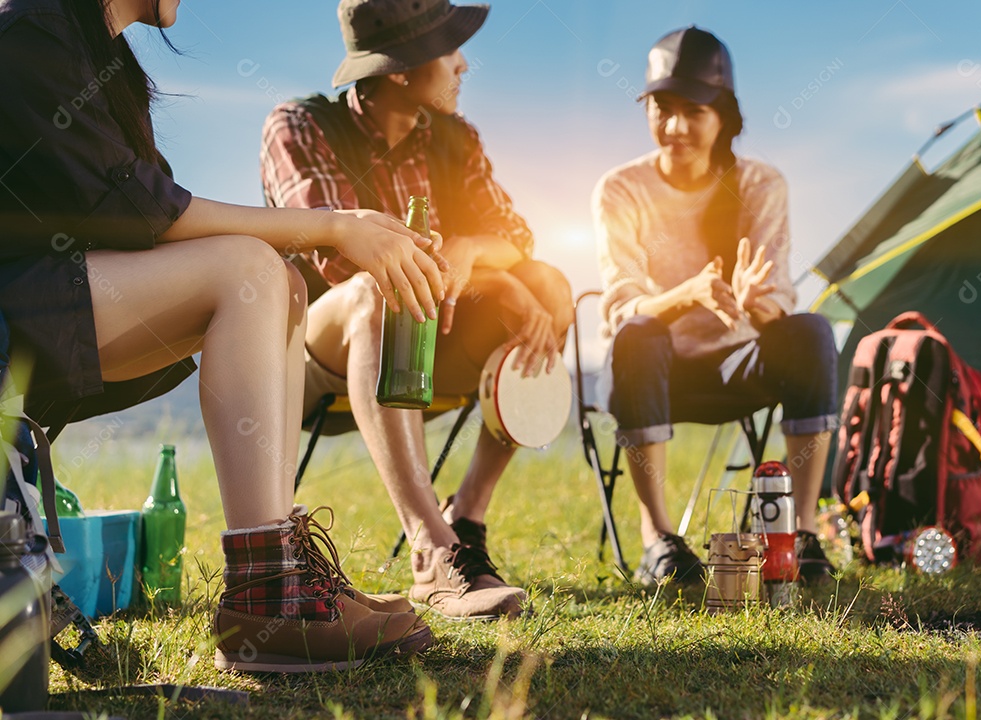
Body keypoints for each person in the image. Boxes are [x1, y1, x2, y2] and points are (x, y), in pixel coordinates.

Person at [0, 0, 446, 672]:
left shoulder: (102, 54)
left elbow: (144, 208)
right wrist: (332, 226)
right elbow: (145, 211)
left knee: (283, 283)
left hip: (47, 297)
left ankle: (282, 574)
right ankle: (264, 592)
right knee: (248, 271)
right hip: (14, 310)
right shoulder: (32, 27)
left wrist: (332, 233)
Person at [261, 0, 573, 620]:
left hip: (429, 343)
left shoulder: (456, 136)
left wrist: (480, 253)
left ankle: (467, 521)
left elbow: (516, 235)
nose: (462, 64)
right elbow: (343, 263)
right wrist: (498, 281)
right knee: (385, 292)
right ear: (400, 71)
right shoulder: (299, 125)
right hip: (315, 351)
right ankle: (432, 555)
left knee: (547, 287)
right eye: (447, 50)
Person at [592, 26, 839, 586]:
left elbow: (776, 299)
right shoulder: (620, 190)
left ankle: (799, 534)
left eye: (693, 111)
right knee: (638, 335)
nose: (675, 126)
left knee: (811, 331)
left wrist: (757, 307)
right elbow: (621, 306)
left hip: (736, 368)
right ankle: (659, 540)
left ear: (722, 115)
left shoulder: (759, 184)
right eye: (662, 108)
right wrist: (688, 295)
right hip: (651, 370)